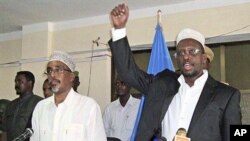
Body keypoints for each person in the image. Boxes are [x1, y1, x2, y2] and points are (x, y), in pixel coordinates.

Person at [108, 3, 241, 141]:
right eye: (181, 53)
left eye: (192, 51)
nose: (186, 56)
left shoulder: (227, 95)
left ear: (203, 58)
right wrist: (119, 30)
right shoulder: (163, 83)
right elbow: (128, 73)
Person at [30, 51, 106, 141]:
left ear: (71, 76)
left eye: (58, 70)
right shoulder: (40, 107)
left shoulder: (89, 107)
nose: (52, 75)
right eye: (49, 71)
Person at [1, 71, 43, 141]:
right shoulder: (11, 105)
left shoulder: (39, 103)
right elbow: (4, 131)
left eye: (20, 81)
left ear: (30, 83)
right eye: (16, 81)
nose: (16, 84)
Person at [103, 76, 140, 141]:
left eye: (123, 83)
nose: (119, 86)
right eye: (117, 84)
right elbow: (103, 132)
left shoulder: (139, 106)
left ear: (130, 85)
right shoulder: (109, 108)